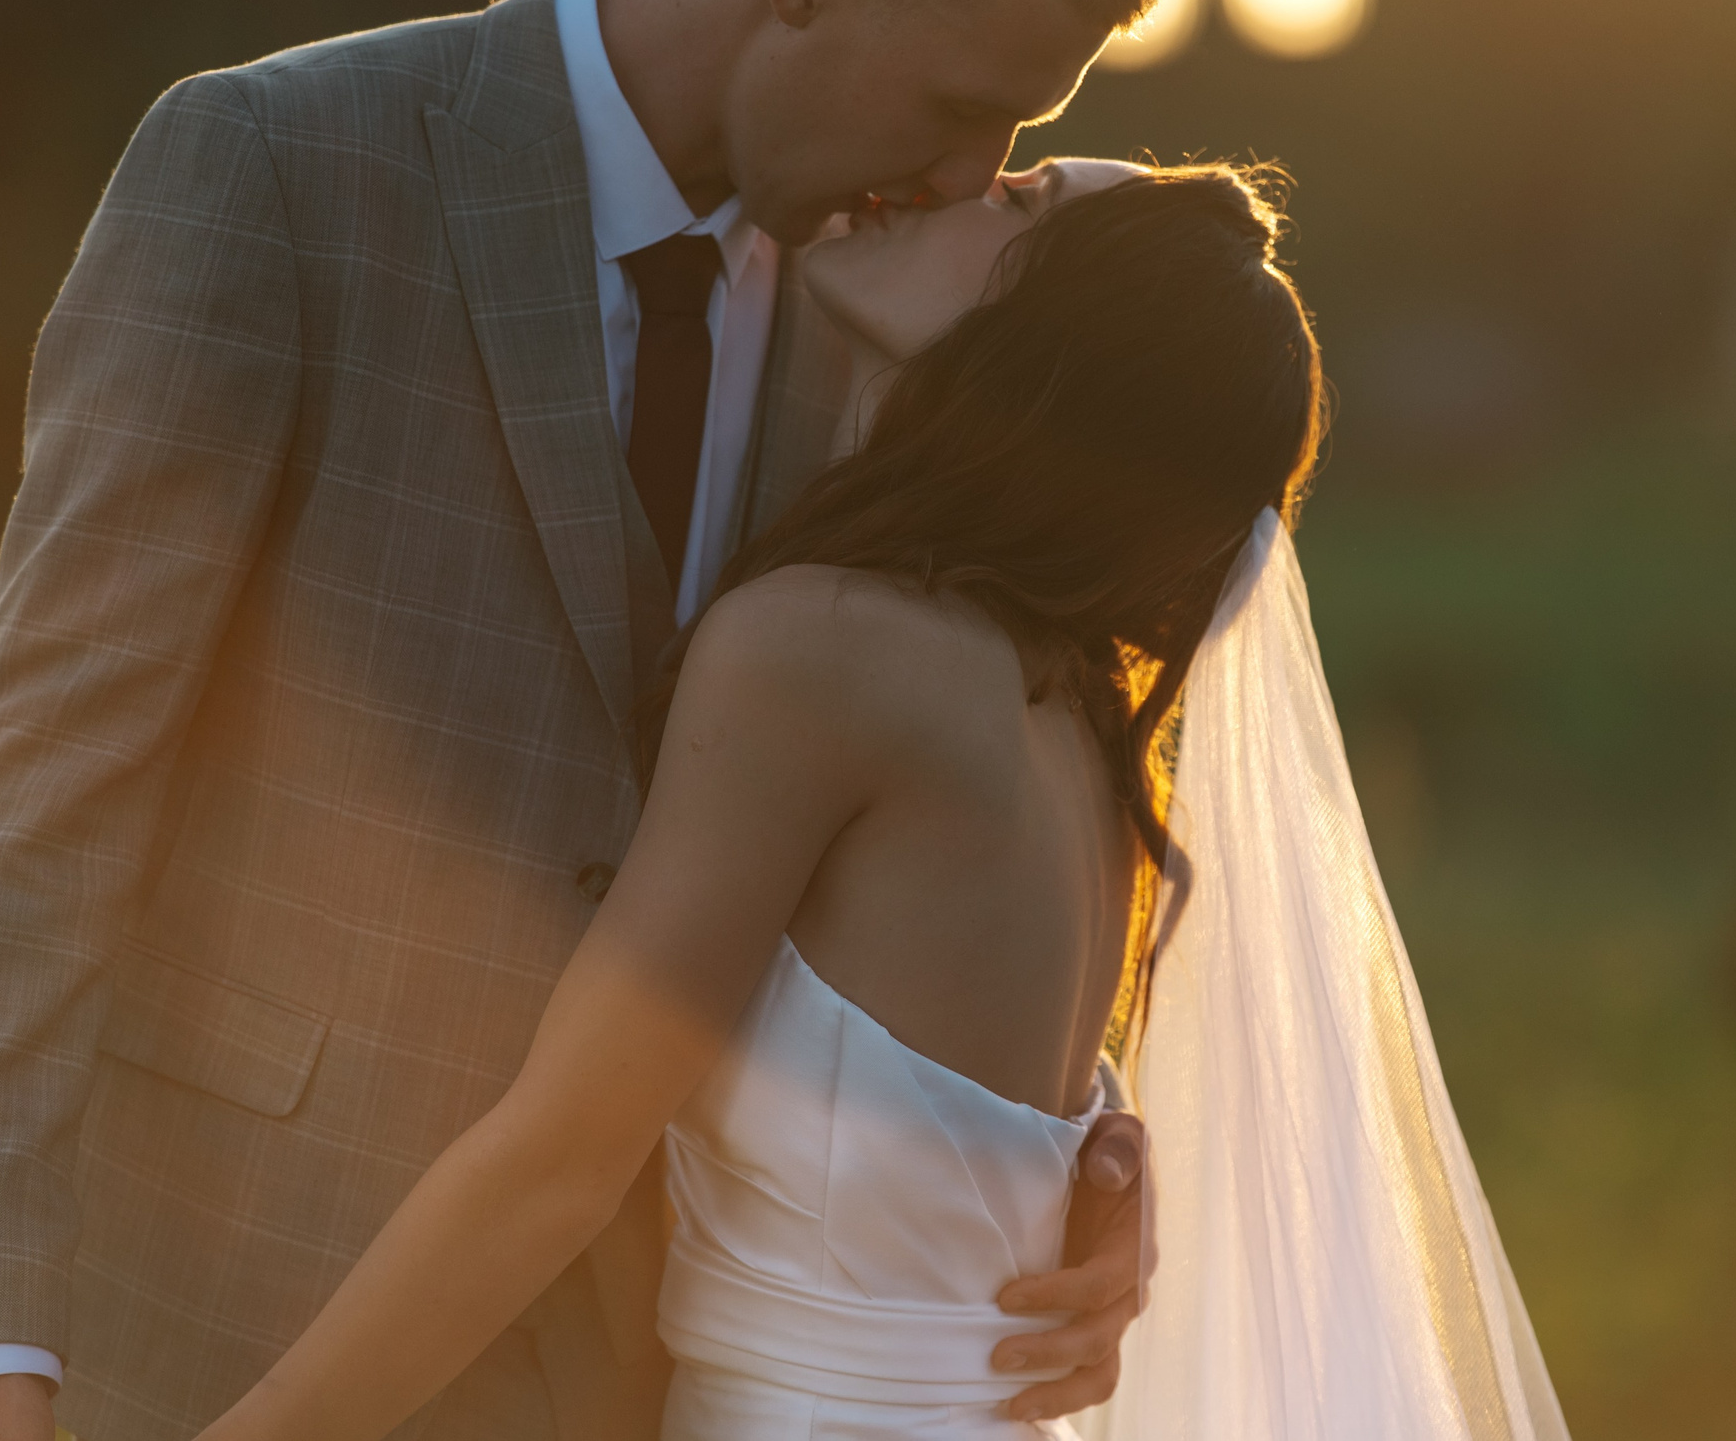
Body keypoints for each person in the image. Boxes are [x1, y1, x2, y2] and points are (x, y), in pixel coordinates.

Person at [0, 0, 1162, 1438]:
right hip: (214, 1332)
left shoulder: (892, 329)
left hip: (643, 1366)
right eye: (958, 112)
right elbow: (34, 813)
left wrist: (1077, 1146)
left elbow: (934, 803)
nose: (963, 180)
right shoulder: (274, 172)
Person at [187, 156, 1571, 1441]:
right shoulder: (1081, 729)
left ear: (1053, 343)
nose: (972, 180)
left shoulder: (830, 652)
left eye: (1023, 203)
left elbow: (564, 1154)